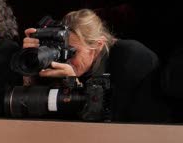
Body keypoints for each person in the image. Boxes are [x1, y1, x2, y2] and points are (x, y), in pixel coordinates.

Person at [20, 8, 169, 123]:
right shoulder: (64, 64)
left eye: (72, 52)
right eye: (62, 51)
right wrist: (32, 63)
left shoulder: (130, 59)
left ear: (98, 45)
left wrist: (73, 85)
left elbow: (107, 124)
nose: (66, 60)